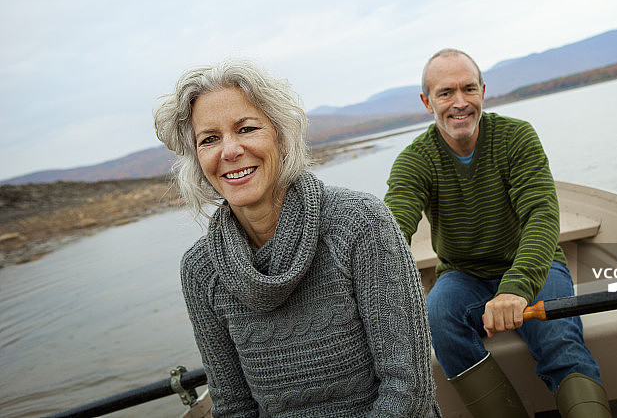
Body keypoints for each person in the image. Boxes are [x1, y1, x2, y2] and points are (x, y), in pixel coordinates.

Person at [153, 59, 440, 417]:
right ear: (197, 158)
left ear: (281, 136)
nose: (229, 151)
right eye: (209, 139)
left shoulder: (359, 223)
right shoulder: (201, 270)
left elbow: (408, 387)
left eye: (246, 129)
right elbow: (233, 407)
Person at [384, 49, 611, 418]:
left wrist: (515, 288)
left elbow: (541, 216)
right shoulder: (415, 160)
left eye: (468, 89)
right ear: (427, 102)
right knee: (438, 313)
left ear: (483, 92)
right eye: (445, 93)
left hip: (533, 266)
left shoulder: (515, 137)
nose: (460, 103)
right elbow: (392, 230)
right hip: (464, 275)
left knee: (562, 348)